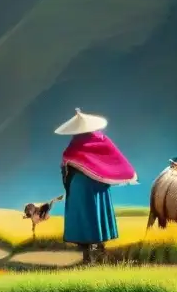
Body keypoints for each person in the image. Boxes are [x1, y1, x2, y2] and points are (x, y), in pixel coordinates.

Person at [56, 108, 137, 264]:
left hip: (79, 187)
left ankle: (88, 256)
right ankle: (101, 249)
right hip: (99, 185)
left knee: (84, 217)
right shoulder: (103, 141)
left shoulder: (72, 147)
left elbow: (65, 168)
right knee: (97, 214)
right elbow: (113, 160)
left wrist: (68, 184)